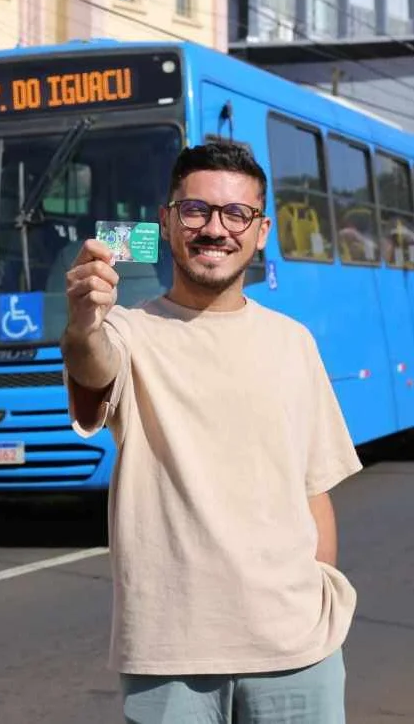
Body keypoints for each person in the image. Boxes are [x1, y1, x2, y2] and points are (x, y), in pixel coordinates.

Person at [61, 142, 361, 723]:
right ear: (167, 221)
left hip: (298, 651)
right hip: (169, 656)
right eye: (195, 210)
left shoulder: (293, 342)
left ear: (261, 231)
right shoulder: (126, 331)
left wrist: (320, 590)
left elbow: (313, 489)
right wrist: (82, 323)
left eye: (236, 214)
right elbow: (91, 364)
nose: (215, 229)